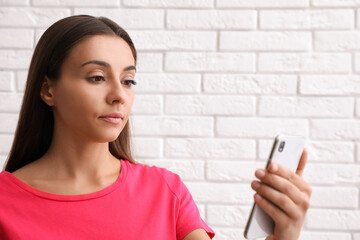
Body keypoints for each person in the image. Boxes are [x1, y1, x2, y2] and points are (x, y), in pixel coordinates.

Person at [0, 15, 311, 240]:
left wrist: (285, 235)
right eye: (97, 77)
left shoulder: (165, 192)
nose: (119, 95)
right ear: (47, 90)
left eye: (128, 80)